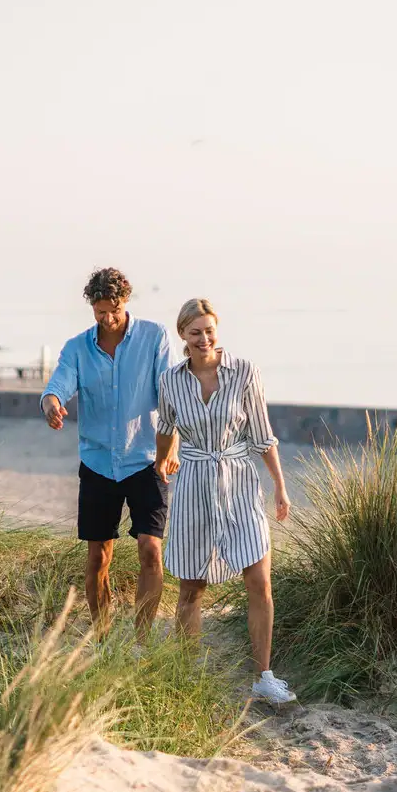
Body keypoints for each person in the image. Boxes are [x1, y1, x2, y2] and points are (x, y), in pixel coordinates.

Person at [156, 298, 296, 704]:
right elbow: (166, 427)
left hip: (239, 482)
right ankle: (187, 674)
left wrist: (280, 486)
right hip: (193, 484)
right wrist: (163, 459)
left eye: (210, 331)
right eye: (195, 332)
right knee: (191, 587)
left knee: (260, 580)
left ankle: (263, 677)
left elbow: (262, 435)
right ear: (182, 334)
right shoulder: (170, 381)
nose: (204, 339)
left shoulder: (244, 373)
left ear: (218, 331)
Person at [41, 268, 178, 639]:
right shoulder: (77, 348)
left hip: (145, 460)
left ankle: (141, 640)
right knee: (98, 557)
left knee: (151, 550)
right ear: (92, 307)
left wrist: (173, 445)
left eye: (113, 309)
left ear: (125, 302)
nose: (108, 318)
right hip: (99, 464)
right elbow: (60, 382)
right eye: (100, 311)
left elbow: (170, 395)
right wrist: (52, 402)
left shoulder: (154, 337)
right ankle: (103, 639)